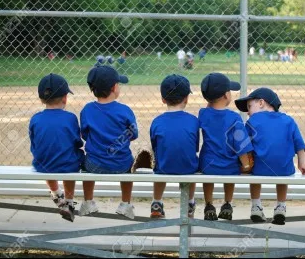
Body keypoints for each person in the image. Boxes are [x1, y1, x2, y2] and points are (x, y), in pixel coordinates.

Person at [235, 87, 305, 225]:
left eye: (249, 107)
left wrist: (244, 165)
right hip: (284, 169)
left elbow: (245, 146)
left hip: (260, 169)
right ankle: (281, 206)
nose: (249, 113)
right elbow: (299, 143)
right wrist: (302, 163)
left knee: (254, 173)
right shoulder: (288, 120)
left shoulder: (253, 121)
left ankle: (256, 206)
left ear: (261, 103)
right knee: (283, 172)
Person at [80, 65, 138, 219]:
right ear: (114, 87)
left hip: (94, 165)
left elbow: (85, 134)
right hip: (121, 164)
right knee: (129, 166)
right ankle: (125, 204)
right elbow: (133, 134)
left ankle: (88, 202)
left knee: (86, 162)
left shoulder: (87, 110)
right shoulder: (125, 110)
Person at [29, 73, 84, 222]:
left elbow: (34, 143)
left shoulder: (35, 119)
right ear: (65, 98)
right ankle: (69, 201)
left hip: (42, 165)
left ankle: (56, 194)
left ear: (41, 99)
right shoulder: (70, 118)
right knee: (71, 158)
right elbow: (77, 142)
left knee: (46, 157)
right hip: (68, 165)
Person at [199, 73, 254, 221]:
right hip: (229, 165)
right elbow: (241, 146)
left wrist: (210, 101)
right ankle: (227, 204)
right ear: (225, 95)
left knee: (207, 178)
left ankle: (209, 205)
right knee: (231, 173)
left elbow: (209, 109)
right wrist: (246, 165)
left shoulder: (203, 114)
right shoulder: (234, 117)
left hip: (207, 165)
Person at [149, 74, 199, 219]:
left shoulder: (157, 121)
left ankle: (156, 203)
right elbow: (194, 148)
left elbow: (155, 147)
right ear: (186, 98)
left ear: (163, 99)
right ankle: (189, 203)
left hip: (164, 167)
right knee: (192, 162)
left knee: (160, 162)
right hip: (187, 168)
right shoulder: (193, 121)